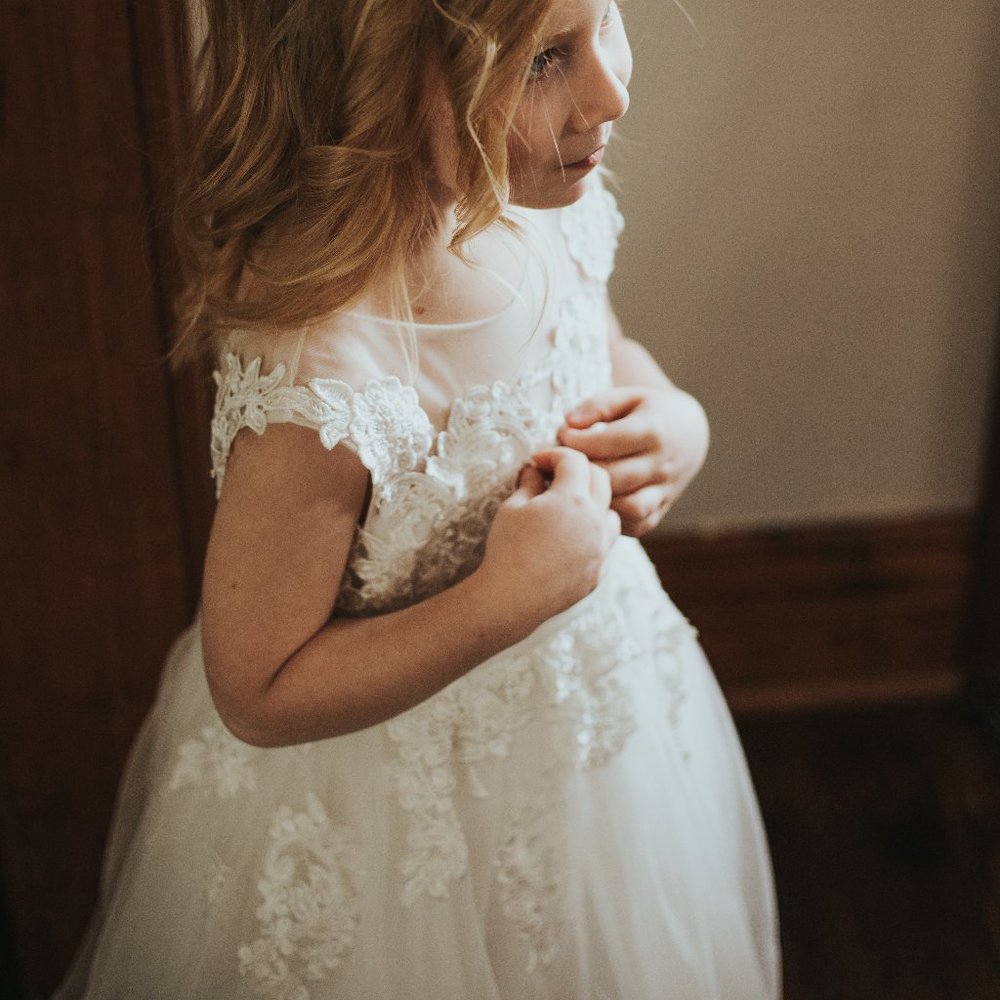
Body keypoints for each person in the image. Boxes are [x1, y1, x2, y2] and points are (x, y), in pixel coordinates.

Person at [56, 0, 780, 996]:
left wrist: (670, 415)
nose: (609, 92)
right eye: (543, 62)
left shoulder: (542, 203)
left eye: (605, 15)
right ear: (371, 79)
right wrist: (502, 599)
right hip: (395, 809)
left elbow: (597, 344)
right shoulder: (328, 362)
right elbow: (257, 687)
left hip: (589, 738)